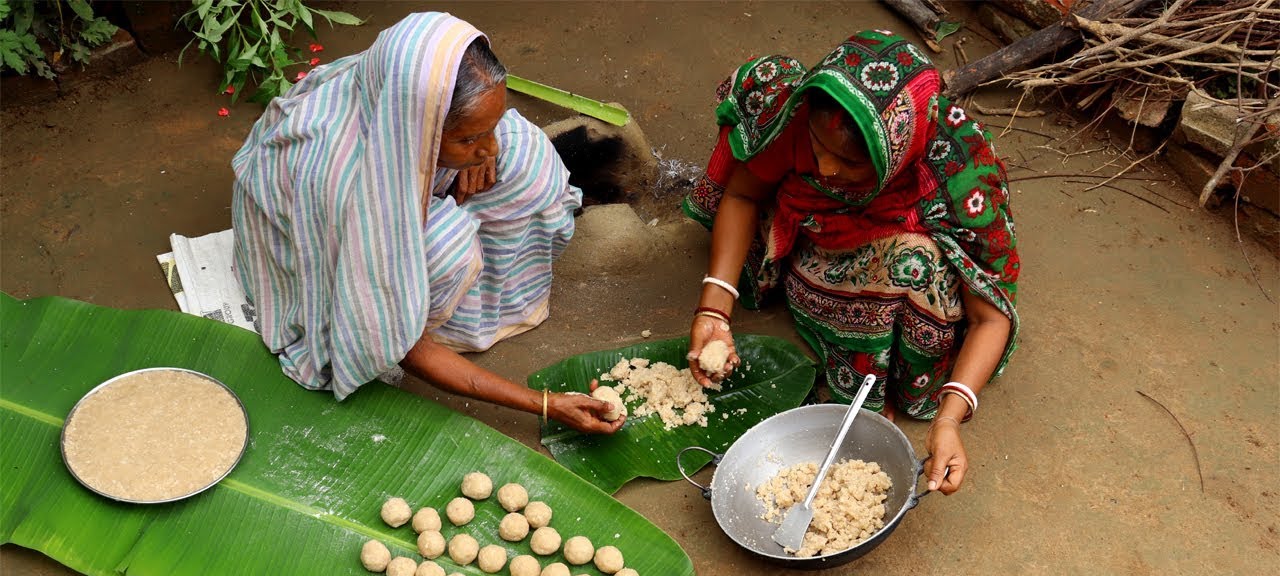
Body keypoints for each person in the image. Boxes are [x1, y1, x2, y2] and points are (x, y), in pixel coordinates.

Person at [231, 13, 620, 434]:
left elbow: (488, 131)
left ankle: (482, 297)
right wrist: (544, 404)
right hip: (334, 218)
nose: (486, 147)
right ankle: (421, 307)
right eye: (469, 139)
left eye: (488, 128)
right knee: (448, 246)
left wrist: (479, 150)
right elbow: (408, 351)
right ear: (421, 129)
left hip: (399, 163)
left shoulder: (408, 85)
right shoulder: (339, 183)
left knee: (527, 158)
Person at [683, 30, 1020, 494]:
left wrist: (949, 421)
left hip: (895, 266)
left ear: (898, 153)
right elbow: (742, 195)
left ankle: (882, 362)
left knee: (915, 265)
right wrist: (713, 310)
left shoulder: (959, 166)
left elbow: (989, 316)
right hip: (808, 242)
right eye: (819, 147)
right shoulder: (797, 120)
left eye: (849, 163)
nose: (824, 170)